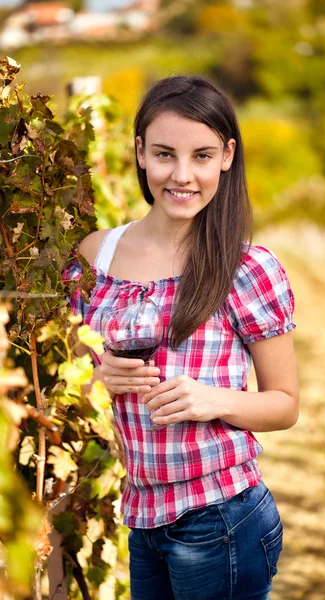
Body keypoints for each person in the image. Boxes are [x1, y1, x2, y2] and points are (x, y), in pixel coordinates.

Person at [63, 75, 299, 600]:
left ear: (227, 157)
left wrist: (209, 399)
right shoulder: (93, 255)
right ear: (141, 153)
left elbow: (285, 406)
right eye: (166, 154)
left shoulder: (246, 268)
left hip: (222, 517)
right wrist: (99, 376)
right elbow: (65, 376)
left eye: (202, 155)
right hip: (142, 517)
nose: (183, 175)